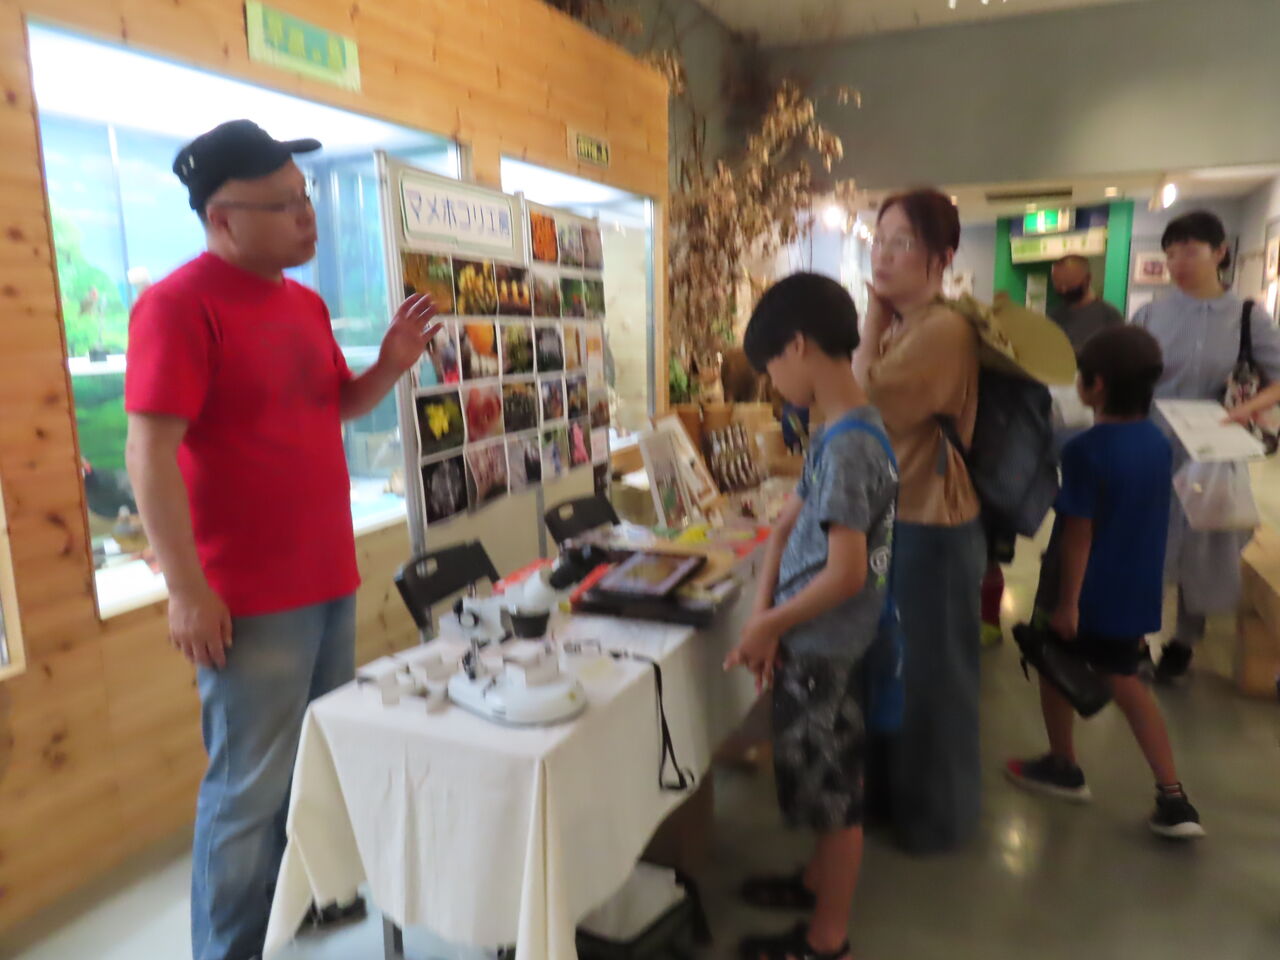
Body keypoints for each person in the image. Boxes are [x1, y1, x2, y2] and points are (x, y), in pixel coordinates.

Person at [124, 120, 438, 960]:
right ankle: (228, 949)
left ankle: (300, 905)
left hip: (328, 577)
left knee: (311, 769)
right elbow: (148, 454)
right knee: (247, 792)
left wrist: (391, 362)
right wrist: (187, 590)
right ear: (222, 219)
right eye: (285, 205)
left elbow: (335, 406)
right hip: (249, 600)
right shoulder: (178, 306)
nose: (310, 217)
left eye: (306, 197)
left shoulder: (303, 304)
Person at [726, 273, 897, 960]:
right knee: (824, 781)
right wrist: (764, 614)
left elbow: (848, 571)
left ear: (797, 345)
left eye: (772, 367)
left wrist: (768, 625)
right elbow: (786, 524)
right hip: (810, 638)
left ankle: (827, 940)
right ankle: (814, 883)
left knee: (835, 797)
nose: (772, 384)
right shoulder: (840, 429)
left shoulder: (851, 445)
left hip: (829, 648)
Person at [1006, 325, 1205, 839]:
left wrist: (1068, 604)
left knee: (1054, 662)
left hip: (1085, 589)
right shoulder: (1157, 443)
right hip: (1135, 586)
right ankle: (1172, 796)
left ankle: (1064, 764)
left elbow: (1078, 536)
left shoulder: (1085, 451)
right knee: (1126, 682)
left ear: (1094, 386)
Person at [852, 189, 985, 854]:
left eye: (901, 242)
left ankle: (937, 820)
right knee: (893, 672)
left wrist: (870, 320)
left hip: (932, 523)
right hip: (900, 517)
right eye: (878, 241)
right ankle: (896, 803)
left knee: (931, 678)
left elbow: (858, 402)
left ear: (942, 256)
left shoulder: (941, 330)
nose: (883, 255)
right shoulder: (906, 326)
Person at [1132, 210, 1280, 682]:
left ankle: (1184, 641)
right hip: (1154, 442)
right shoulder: (1150, 314)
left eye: (1190, 251)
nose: (1178, 263)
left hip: (1215, 449)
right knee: (1145, 542)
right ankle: (1136, 637)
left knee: (1205, 546)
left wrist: (1247, 408)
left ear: (1220, 252)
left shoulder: (1247, 317)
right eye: (1171, 253)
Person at [1047, 255, 1124, 355]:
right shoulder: (1053, 317)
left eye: (1070, 283)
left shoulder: (1109, 316)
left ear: (1087, 279)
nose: (1064, 289)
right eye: (1059, 284)